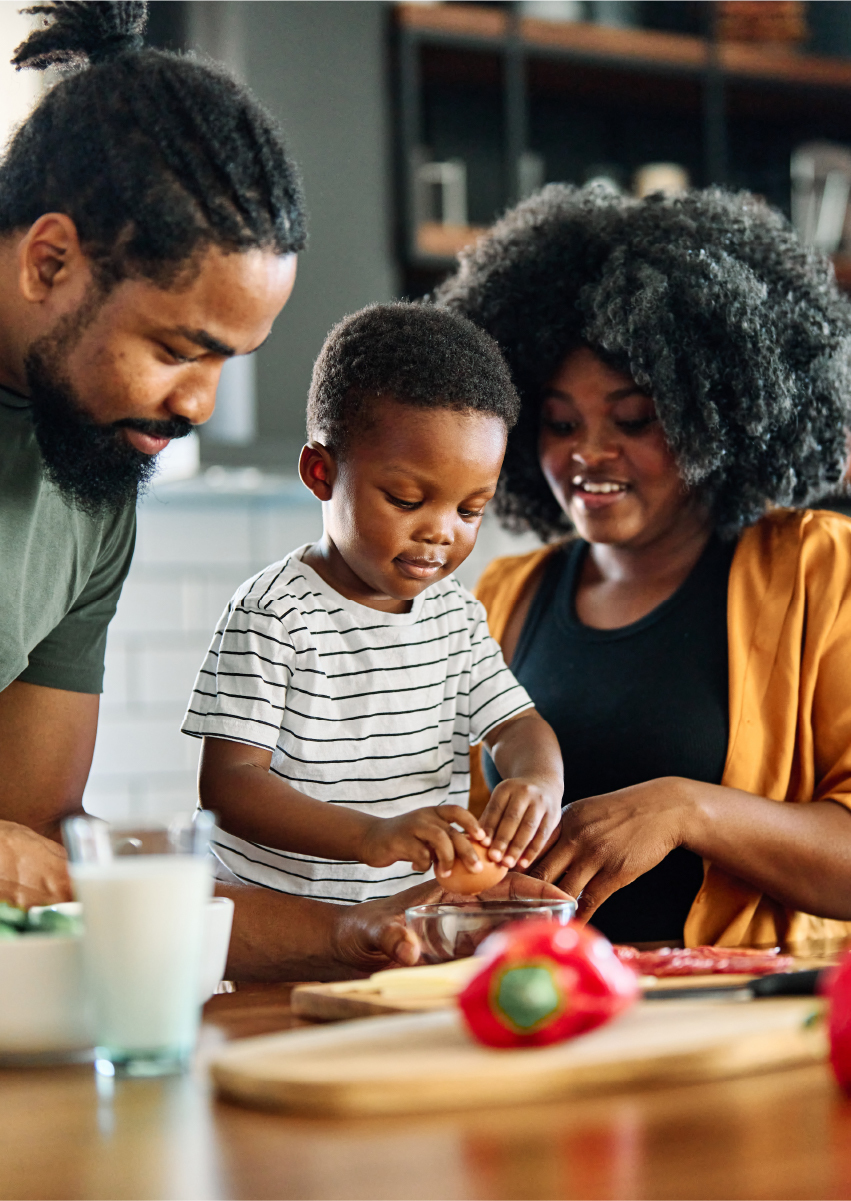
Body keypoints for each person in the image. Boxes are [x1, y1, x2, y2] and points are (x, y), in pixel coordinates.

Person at [0, 0, 516, 979]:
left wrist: (352, 935)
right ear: (50, 260)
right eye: (175, 349)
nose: (199, 402)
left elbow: (36, 843)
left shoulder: (94, 475)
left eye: (228, 359)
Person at [437, 183, 851, 953]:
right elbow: (451, 849)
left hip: (739, 1032)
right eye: (559, 423)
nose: (586, 454)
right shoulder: (500, 598)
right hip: (535, 1013)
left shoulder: (816, 570)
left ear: (713, 415)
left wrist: (687, 809)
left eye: (632, 420)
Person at [183, 304, 564, 903]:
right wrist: (371, 836)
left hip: (411, 922)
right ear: (320, 472)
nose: (442, 533)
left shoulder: (454, 616)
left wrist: (538, 780)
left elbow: (515, 725)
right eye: (407, 499)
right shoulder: (274, 615)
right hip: (285, 933)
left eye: (470, 509)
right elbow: (230, 789)